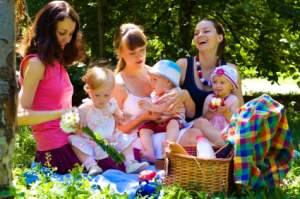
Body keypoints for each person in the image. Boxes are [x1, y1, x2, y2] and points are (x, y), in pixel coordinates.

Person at [112, 23, 196, 161]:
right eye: (132, 53)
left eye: (142, 50)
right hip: (140, 142)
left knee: (197, 130)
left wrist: (185, 96)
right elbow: (115, 131)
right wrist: (144, 118)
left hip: (169, 133)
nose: (139, 56)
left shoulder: (158, 73)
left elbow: (191, 113)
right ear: (120, 52)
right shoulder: (118, 84)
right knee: (193, 137)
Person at [18, 1, 84, 174]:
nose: (67, 39)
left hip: (71, 144)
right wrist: (60, 114)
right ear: (46, 30)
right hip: (54, 151)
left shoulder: (57, 62)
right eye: (62, 32)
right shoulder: (36, 64)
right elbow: (20, 116)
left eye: (71, 34)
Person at [174, 18, 244, 146]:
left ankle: (225, 147)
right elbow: (168, 97)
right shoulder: (183, 65)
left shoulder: (231, 70)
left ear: (220, 37)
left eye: (206, 31)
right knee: (198, 130)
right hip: (190, 135)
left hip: (224, 130)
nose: (200, 35)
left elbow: (241, 112)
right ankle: (228, 148)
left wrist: (227, 112)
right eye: (196, 33)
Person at [68, 66, 148, 175]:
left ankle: (130, 163)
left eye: (106, 95)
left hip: (110, 138)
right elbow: (77, 119)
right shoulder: (85, 108)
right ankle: (92, 166)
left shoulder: (111, 104)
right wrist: (79, 120)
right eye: (97, 95)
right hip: (93, 141)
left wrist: (123, 116)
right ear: (88, 90)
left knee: (125, 139)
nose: (102, 99)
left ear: (111, 91)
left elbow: (120, 116)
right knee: (75, 142)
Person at [138, 60, 186, 162]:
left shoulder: (174, 92)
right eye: (150, 79)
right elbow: (156, 111)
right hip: (159, 121)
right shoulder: (155, 94)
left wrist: (151, 107)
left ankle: (168, 146)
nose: (151, 83)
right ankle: (149, 151)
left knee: (173, 124)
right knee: (144, 129)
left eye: (154, 79)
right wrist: (150, 111)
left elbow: (165, 107)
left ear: (168, 82)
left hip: (173, 118)